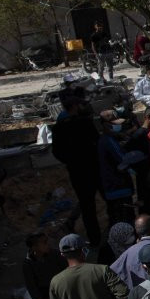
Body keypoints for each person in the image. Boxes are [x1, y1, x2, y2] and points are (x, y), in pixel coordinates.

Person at [53, 95, 103, 244]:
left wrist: (71, 161)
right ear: (75, 106)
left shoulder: (59, 127)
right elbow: (97, 141)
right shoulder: (84, 122)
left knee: (87, 206)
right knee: (108, 200)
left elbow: (57, 152)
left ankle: (95, 239)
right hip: (94, 167)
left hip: (77, 171)